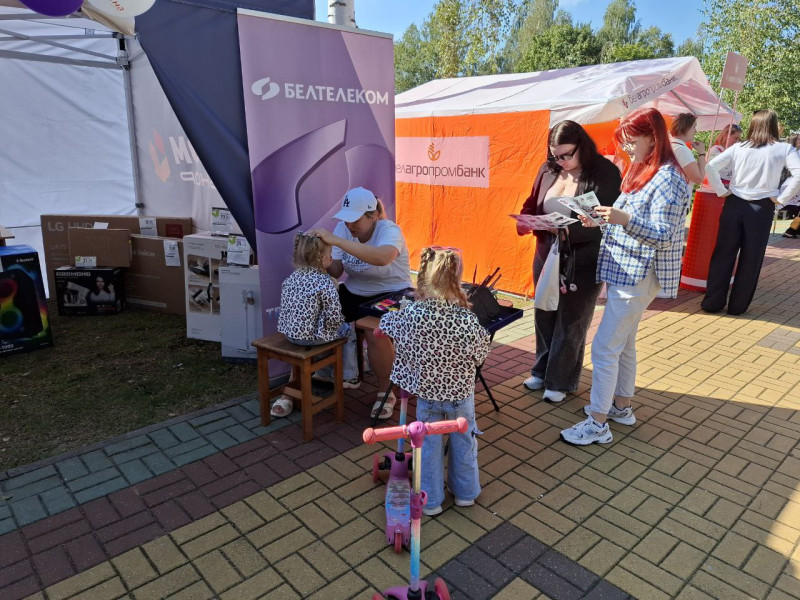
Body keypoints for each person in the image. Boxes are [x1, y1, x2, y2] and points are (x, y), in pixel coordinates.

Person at [560, 107, 691, 446]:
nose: (627, 149)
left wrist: (623, 219)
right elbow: (630, 218)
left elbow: (664, 234)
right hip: (627, 269)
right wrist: (603, 219)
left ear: (653, 138)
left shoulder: (668, 177)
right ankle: (620, 407)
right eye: (625, 142)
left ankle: (597, 422)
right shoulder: (647, 169)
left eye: (631, 141)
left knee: (605, 347)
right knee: (623, 343)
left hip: (638, 273)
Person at [377, 246, 490, 515]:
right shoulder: (467, 320)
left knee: (427, 448)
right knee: (464, 444)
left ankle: (431, 500)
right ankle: (465, 494)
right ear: (457, 280)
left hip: (427, 395)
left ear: (423, 279)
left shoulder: (411, 314)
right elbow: (480, 355)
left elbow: (386, 323)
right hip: (460, 396)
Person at [517, 120, 622, 403]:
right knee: (544, 311)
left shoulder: (604, 172)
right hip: (547, 251)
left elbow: (605, 221)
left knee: (572, 319)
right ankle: (541, 371)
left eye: (566, 155)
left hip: (584, 256)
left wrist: (565, 230)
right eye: (555, 155)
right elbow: (533, 201)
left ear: (582, 147)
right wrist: (526, 220)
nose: (560, 161)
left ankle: (560, 380)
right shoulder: (548, 169)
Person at [308, 187, 412, 420]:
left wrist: (337, 241)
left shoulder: (389, 230)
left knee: (374, 331)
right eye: (346, 219)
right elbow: (337, 271)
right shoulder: (342, 229)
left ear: (373, 216)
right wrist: (324, 262)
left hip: (392, 292)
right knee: (315, 316)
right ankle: (299, 384)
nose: (349, 225)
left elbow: (382, 257)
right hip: (354, 290)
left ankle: (386, 392)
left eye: (355, 220)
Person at [702, 109, 800, 315]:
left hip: (734, 203)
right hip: (761, 207)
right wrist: (781, 199)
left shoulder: (739, 147)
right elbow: (798, 175)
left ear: (753, 125)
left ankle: (712, 302)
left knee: (723, 253)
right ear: (773, 125)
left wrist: (722, 191)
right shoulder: (784, 149)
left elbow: (711, 167)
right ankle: (737, 306)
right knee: (751, 257)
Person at [274, 232, 352, 417]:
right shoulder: (325, 282)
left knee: (324, 329)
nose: (332, 259)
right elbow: (334, 317)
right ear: (323, 259)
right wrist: (336, 327)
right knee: (348, 330)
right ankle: (349, 375)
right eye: (330, 256)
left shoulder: (292, 278)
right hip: (312, 339)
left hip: (290, 335)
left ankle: (325, 372)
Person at [670, 113, 706, 186]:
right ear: (686, 128)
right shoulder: (681, 150)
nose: (695, 131)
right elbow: (698, 179)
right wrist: (702, 153)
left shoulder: (670, 145)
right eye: (694, 127)